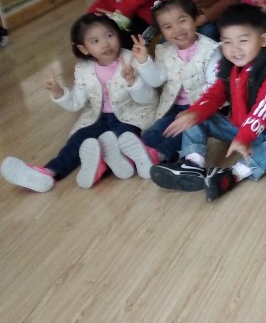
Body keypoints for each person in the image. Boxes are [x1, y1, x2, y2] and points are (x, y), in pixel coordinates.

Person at [149, 4, 266, 200]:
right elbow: (215, 93)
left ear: (263, 40)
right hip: (239, 129)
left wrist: (245, 137)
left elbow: (264, 109)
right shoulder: (229, 64)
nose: (235, 49)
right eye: (227, 42)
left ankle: (234, 173)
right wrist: (195, 113)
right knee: (193, 115)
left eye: (243, 40)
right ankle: (192, 164)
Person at [1, 14, 155, 192]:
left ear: (118, 35)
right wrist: (58, 92)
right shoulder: (84, 68)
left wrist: (132, 81)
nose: (105, 44)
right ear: (83, 48)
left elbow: (145, 98)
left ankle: (113, 164)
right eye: (95, 41)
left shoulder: (132, 59)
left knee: (122, 138)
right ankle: (48, 172)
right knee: (78, 142)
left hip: (131, 114)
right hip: (98, 117)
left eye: (109, 35)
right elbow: (76, 103)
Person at [123, 0, 221, 178]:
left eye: (182, 21)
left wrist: (194, 110)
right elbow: (157, 80)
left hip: (200, 107)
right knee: (155, 131)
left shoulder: (210, 49)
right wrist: (144, 61)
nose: (177, 30)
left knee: (179, 132)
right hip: (173, 106)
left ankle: (158, 155)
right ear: (161, 31)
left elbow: (215, 86)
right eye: (167, 27)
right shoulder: (164, 50)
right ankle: (134, 157)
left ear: (195, 18)